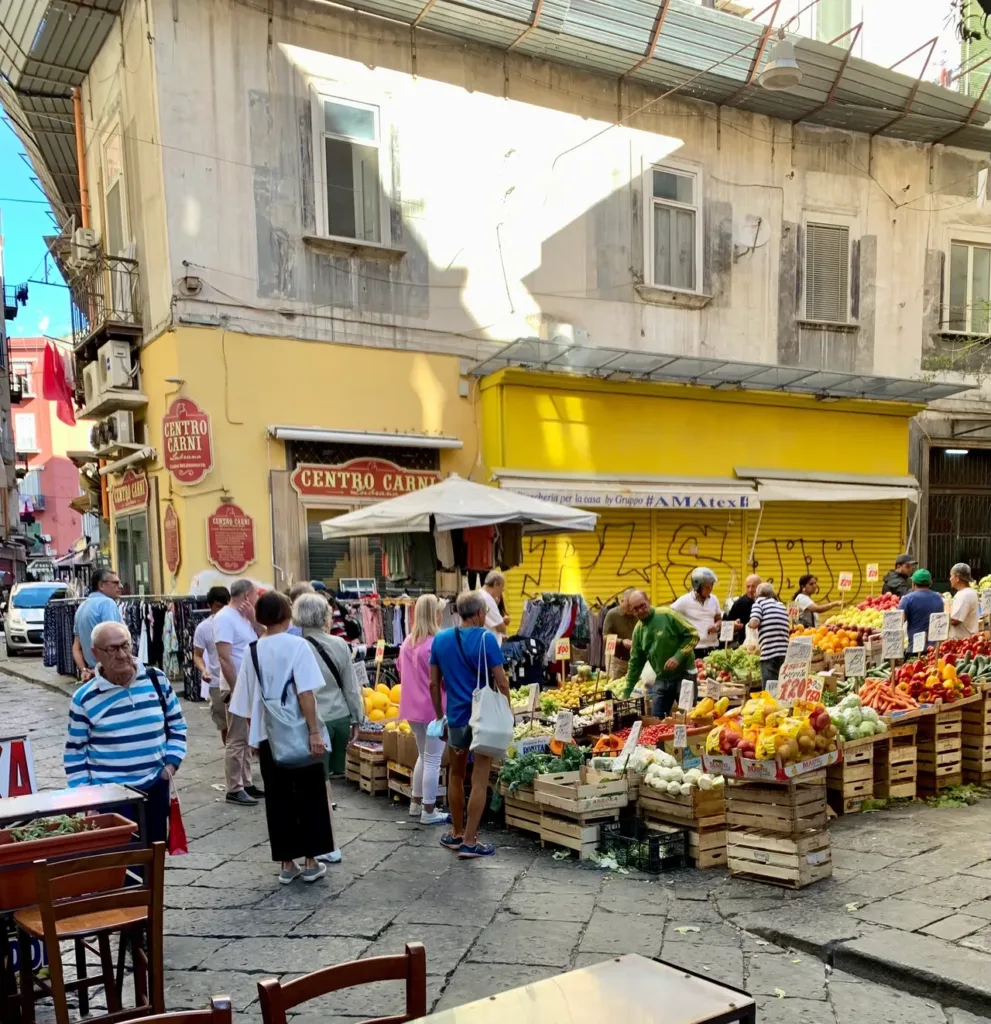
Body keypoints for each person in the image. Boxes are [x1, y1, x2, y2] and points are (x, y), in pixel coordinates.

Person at [230, 591, 332, 885]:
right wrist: (314, 731)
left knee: (278, 800)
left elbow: (246, 701)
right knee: (310, 795)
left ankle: (287, 864)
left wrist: (255, 735)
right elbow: (306, 693)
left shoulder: (252, 651)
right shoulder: (298, 646)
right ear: (288, 615)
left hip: (267, 735)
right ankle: (311, 860)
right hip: (300, 731)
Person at [65, 620, 187, 844]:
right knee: (121, 866)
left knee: (154, 859)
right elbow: (75, 754)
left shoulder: (156, 679)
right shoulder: (84, 699)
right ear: (95, 653)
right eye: (112, 649)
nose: (122, 655)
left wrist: (170, 765)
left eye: (125, 646)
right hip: (111, 798)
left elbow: (177, 724)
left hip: (154, 788)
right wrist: (87, 802)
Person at [429, 591, 510, 859]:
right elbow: (501, 681)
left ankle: (456, 833)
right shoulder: (487, 639)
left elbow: (433, 683)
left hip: (455, 719)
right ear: (478, 613)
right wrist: (507, 709)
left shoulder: (440, 639)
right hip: (483, 720)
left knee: (455, 774)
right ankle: (471, 841)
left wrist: (440, 714)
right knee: (479, 779)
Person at [293, 592, 362, 778]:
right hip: (339, 718)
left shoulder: (295, 646)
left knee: (315, 781)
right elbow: (351, 686)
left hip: (310, 723)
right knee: (332, 780)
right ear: (326, 615)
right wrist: (357, 718)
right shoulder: (340, 644)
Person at [398, 594, 449, 826]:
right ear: (434, 614)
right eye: (439, 611)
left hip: (411, 708)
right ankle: (429, 810)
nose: (441, 614)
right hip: (434, 710)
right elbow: (443, 679)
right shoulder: (436, 643)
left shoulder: (408, 642)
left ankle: (415, 803)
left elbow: (401, 671)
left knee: (423, 755)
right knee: (432, 759)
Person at [215, 579, 265, 806]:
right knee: (236, 738)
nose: (257, 598)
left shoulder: (244, 618)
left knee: (246, 737)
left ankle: (245, 781)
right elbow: (224, 657)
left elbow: (263, 635)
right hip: (236, 685)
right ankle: (234, 787)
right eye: (255, 594)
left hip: (248, 684)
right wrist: (236, 689)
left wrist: (254, 619)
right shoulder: (225, 618)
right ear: (247, 595)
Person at [622, 590, 699, 716]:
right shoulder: (638, 631)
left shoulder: (667, 615)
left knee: (688, 718)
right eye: (636, 609)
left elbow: (693, 635)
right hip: (662, 678)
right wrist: (627, 691)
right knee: (656, 722)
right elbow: (635, 662)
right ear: (631, 610)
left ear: (649, 601)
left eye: (643, 606)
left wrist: (677, 657)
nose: (640, 611)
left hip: (684, 675)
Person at [193, 586, 231, 742]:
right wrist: (204, 670)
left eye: (225, 605)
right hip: (217, 682)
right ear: (210, 606)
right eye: (218, 606)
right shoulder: (203, 628)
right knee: (224, 724)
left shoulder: (239, 621)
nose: (223, 610)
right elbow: (197, 655)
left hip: (240, 679)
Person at [72, 568, 124, 679]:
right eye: (115, 583)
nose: (120, 586)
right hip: (110, 672)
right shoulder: (107, 603)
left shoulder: (82, 606)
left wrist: (84, 670)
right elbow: (114, 642)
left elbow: (76, 647)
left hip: (94, 673)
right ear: (101, 585)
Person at [670, 568, 722, 656]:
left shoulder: (714, 599)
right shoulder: (684, 600)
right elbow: (669, 614)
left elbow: (719, 619)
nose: (710, 589)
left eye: (712, 585)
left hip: (713, 647)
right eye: (707, 586)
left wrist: (716, 625)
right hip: (694, 649)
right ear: (698, 586)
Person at [748, 583, 790, 685]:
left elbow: (754, 623)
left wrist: (748, 624)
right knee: (782, 686)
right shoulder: (781, 605)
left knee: (770, 688)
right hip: (785, 653)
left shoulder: (758, 604)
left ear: (757, 594)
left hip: (769, 654)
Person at [898, 569, 945, 647]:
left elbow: (898, 622)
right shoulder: (939, 598)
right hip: (934, 649)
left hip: (915, 647)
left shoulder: (907, 599)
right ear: (930, 583)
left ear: (913, 583)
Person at [602, 589, 637, 682]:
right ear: (622, 601)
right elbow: (605, 637)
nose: (631, 609)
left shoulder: (638, 613)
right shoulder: (612, 614)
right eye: (628, 605)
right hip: (619, 662)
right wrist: (622, 641)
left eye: (632, 605)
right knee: (616, 688)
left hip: (637, 661)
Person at [725, 575, 761, 642]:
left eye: (753, 586)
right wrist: (733, 625)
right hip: (744, 645)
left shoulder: (766, 602)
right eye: (748, 586)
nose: (750, 590)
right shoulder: (739, 603)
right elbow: (726, 626)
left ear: (759, 586)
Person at [479, 570, 510, 644]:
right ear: (496, 584)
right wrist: (504, 621)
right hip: (489, 646)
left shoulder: (479, 594)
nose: (502, 590)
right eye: (502, 586)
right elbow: (501, 628)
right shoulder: (488, 599)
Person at [949, 563, 979, 639]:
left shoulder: (965, 595)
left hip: (963, 640)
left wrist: (938, 620)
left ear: (957, 578)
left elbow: (956, 620)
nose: (950, 579)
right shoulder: (970, 592)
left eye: (951, 576)